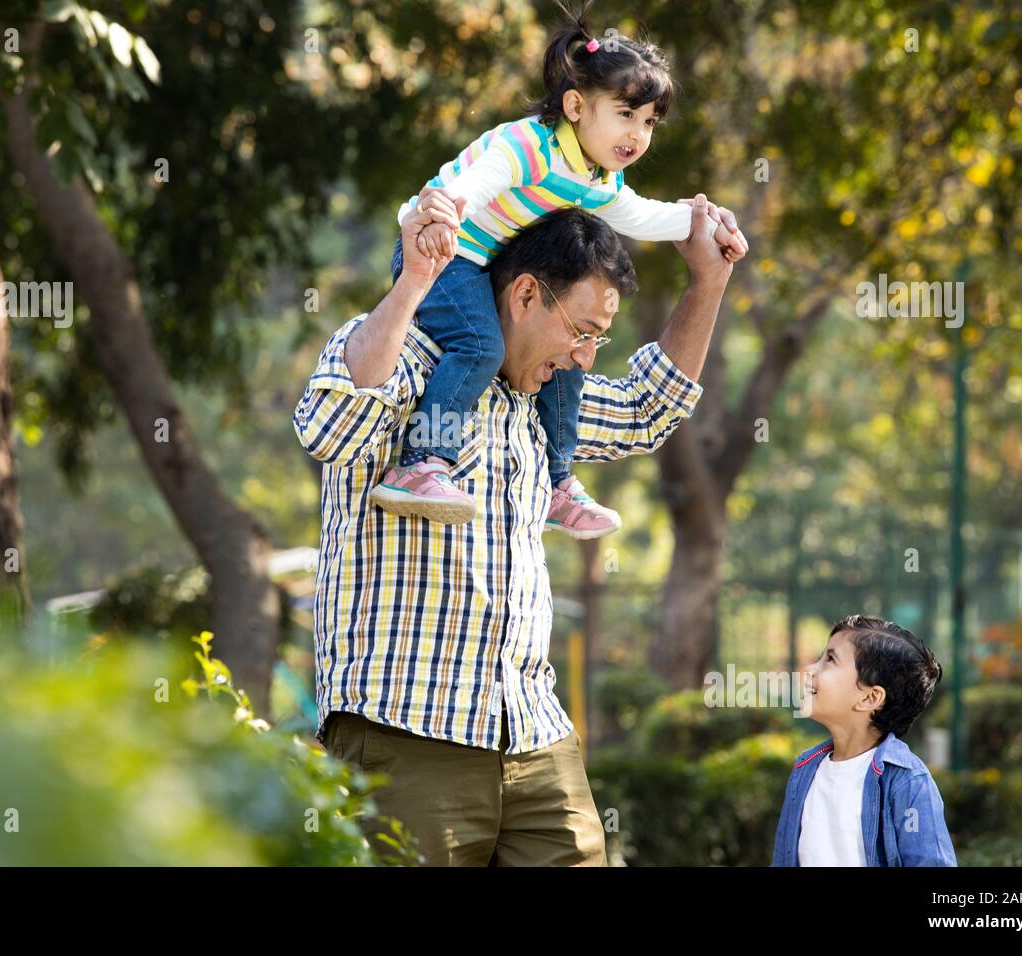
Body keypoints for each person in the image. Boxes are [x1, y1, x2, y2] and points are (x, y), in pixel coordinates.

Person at [293, 194, 741, 866]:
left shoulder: (543, 401)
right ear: (525, 294)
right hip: (408, 734)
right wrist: (415, 282)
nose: (585, 356)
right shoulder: (406, 362)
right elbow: (328, 426)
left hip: (533, 738)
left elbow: (649, 411)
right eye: (580, 330)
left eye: (599, 339)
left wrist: (709, 280)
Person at [369, 0, 747, 539]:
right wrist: (442, 213)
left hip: (484, 266)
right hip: (439, 256)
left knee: (568, 358)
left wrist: (706, 226)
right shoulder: (527, 145)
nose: (637, 135)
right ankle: (421, 462)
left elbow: (643, 217)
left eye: (648, 122)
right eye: (624, 114)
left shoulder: (596, 179)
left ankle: (555, 483)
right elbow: (476, 183)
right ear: (575, 106)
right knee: (480, 347)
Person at [772, 615, 958, 866]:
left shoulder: (907, 781)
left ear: (870, 698)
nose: (811, 669)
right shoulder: (805, 769)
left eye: (829, 660)